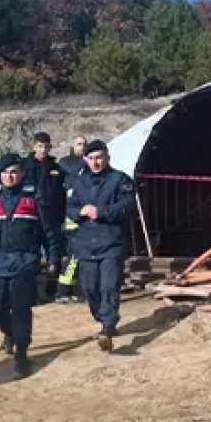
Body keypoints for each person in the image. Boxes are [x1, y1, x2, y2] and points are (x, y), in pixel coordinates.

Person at [0, 154, 61, 377]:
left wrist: (53, 258)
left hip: (25, 261)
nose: (10, 176)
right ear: (0, 175)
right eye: (6, 173)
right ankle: (9, 334)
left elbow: (50, 232)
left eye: (14, 172)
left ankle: (22, 355)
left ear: (22, 174)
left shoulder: (34, 197)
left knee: (20, 309)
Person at [67, 140, 135, 352]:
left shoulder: (120, 180)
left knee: (109, 286)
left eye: (99, 158)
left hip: (111, 241)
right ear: (85, 159)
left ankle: (107, 326)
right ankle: (103, 317)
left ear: (107, 158)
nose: (95, 162)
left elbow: (127, 206)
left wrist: (102, 212)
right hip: (86, 243)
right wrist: (79, 212)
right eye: (91, 158)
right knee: (89, 288)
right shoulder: (77, 183)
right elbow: (69, 208)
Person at [24, 131, 68, 301]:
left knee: (54, 252)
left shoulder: (55, 168)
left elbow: (62, 195)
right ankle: (32, 292)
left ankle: (51, 286)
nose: (43, 150)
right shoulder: (25, 167)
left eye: (46, 147)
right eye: (40, 146)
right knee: (32, 253)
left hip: (52, 216)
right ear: (33, 147)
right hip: (31, 217)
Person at [54, 135, 89, 304]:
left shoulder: (89, 163)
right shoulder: (65, 164)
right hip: (71, 220)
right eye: (79, 144)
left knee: (82, 257)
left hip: (85, 218)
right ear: (72, 146)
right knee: (72, 257)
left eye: (84, 144)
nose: (82, 147)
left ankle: (79, 290)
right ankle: (63, 291)